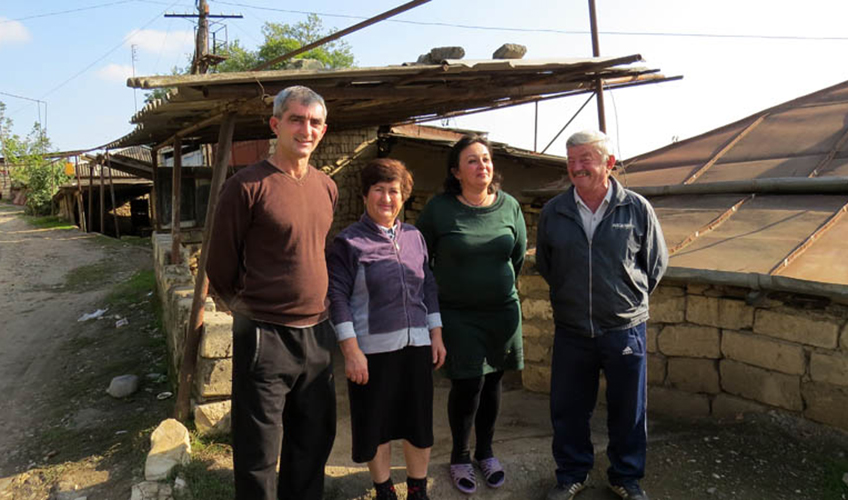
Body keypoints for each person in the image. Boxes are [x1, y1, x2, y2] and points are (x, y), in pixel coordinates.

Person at [205, 85, 337, 500]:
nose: (306, 129)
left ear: (324, 129)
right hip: (266, 336)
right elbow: (219, 265)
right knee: (259, 451)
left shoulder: (327, 187)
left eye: (314, 122)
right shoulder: (246, 186)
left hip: (317, 334)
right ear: (276, 125)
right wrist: (249, 310)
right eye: (297, 120)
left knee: (312, 442)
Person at [537, 130, 668, 500]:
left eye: (585, 159)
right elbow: (548, 266)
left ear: (608, 163)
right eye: (571, 160)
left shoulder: (636, 208)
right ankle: (571, 474)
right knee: (568, 409)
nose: (577, 168)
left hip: (624, 329)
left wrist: (623, 300)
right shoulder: (555, 212)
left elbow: (655, 265)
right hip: (572, 329)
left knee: (628, 409)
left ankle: (625, 477)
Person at [327, 158, 446, 500]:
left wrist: (435, 334)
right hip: (372, 353)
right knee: (376, 424)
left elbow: (429, 288)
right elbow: (337, 298)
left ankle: (417, 489)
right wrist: (351, 352)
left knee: (418, 423)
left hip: (417, 346)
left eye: (393, 190)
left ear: (403, 196)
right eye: (378, 189)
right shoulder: (348, 243)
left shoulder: (414, 237)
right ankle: (384, 491)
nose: (386, 198)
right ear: (366, 194)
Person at [416, 134, 527, 495]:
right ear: (456, 171)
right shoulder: (440, 209)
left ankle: (486, 452)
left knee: (494, 381)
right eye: (473, 161)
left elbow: (518, 257)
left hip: (501, 313)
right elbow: (420, 258)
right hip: (457, 314)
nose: (483, 166)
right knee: (467, 383)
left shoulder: (509, 206)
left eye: (486, 159)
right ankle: (460, 456)